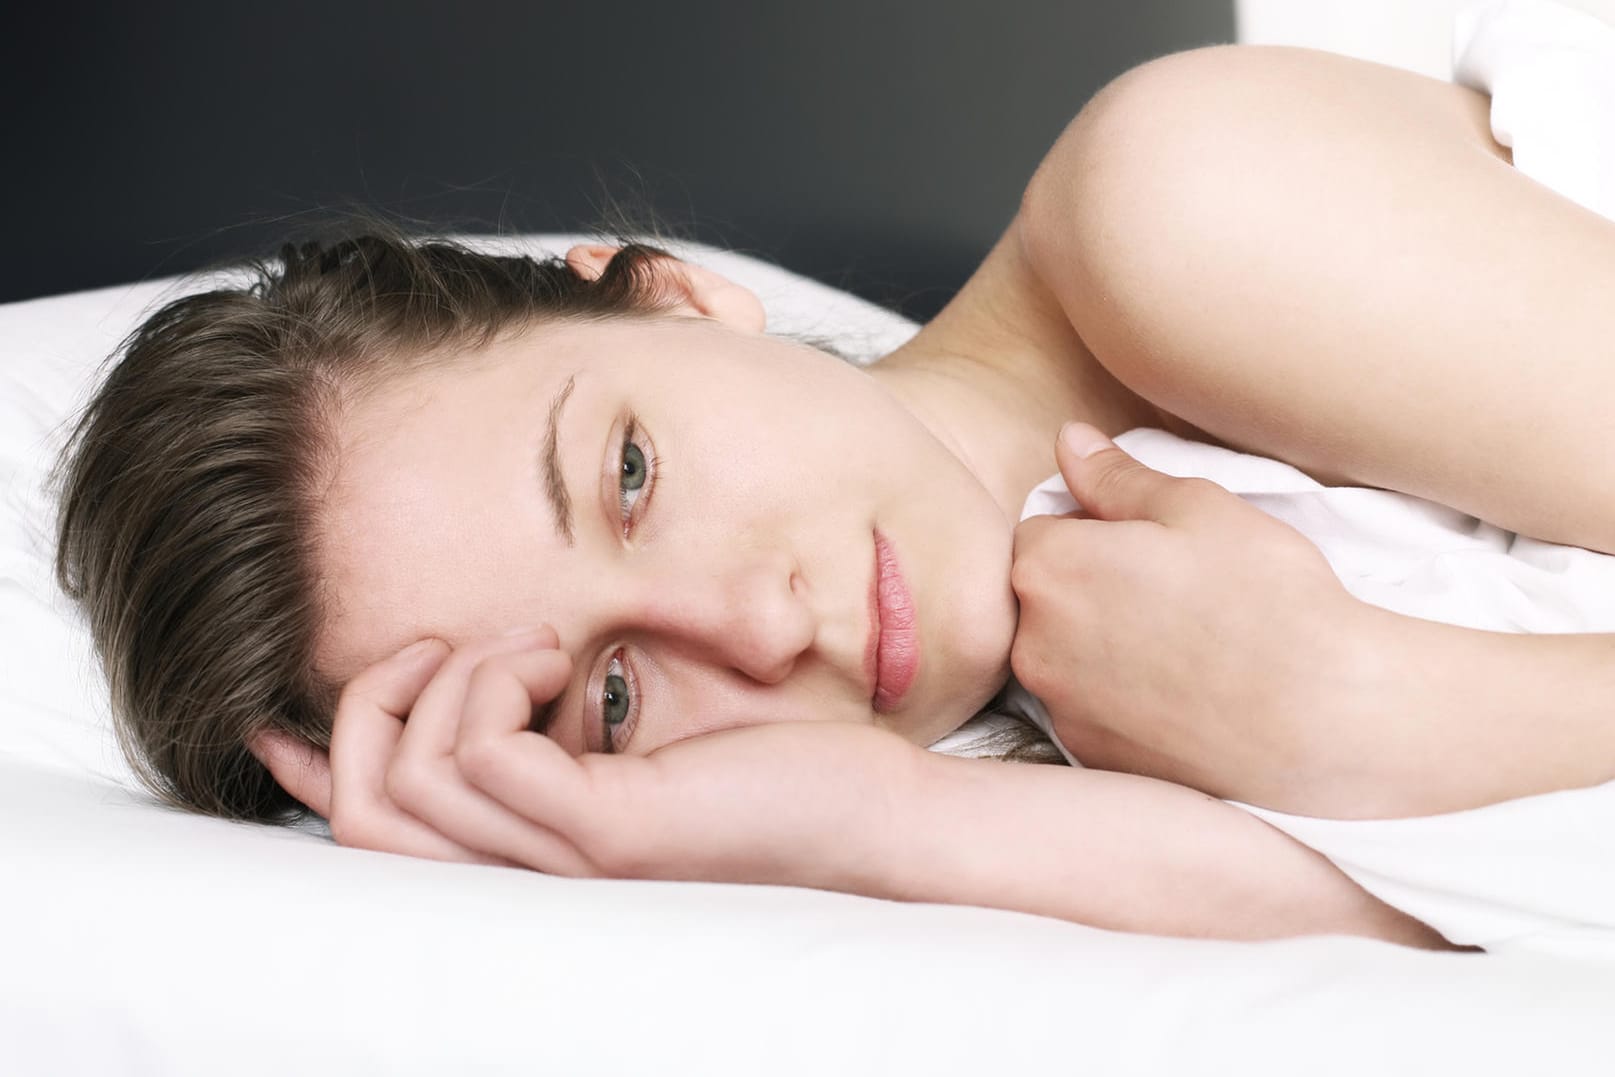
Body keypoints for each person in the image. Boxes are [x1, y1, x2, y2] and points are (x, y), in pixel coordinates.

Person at [52, 44, 1615, 951]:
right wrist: (884, 818)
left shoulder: (1177, 212)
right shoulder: (1012, 790)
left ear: (671, 297)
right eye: (605, 692)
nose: (752, 619)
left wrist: (1360, 704)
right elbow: (1468, 929)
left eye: (631, 473)